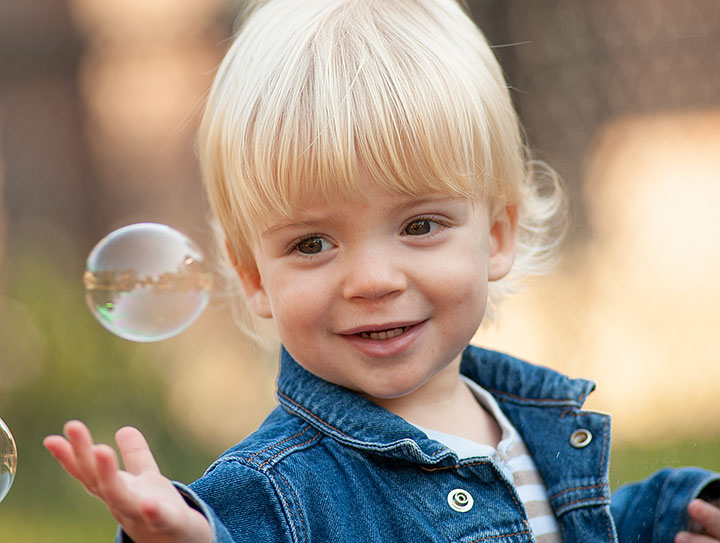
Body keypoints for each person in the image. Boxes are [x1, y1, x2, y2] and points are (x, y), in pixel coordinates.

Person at [44, 0, 720, 541]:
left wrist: (676, 515)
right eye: (311, 243)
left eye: (419, 226)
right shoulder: (278, 487)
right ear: (254, 277)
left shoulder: (531, 428)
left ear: (496, 235)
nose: (371, 279)